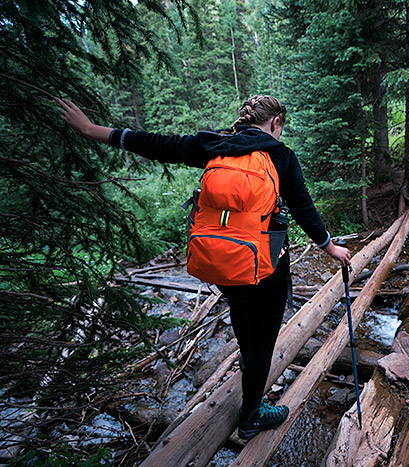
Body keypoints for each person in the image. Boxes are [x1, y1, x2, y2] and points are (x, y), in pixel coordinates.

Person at [56, 96, 351, 440]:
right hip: (262, 267)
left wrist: (91, 130)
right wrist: (330, 247)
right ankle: (253, 413)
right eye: (280, 128)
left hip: (219, 261)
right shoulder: (280, 156)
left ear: (243, 120)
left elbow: (155, 144)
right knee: (264, 341)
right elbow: (303, 208)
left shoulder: (214, 145)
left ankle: (247, 362)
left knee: (240, 311)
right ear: (275, 124)